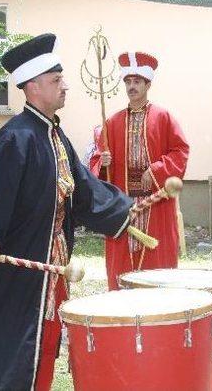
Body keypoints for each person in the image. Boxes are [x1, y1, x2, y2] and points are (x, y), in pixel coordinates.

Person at [0, 34, 133, 390]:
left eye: (62, 79)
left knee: (44, 345)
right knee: (18, 351)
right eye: (56, 81)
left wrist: (124, 210)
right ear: (33, 88)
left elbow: (81, 188)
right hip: (15, 272)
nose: (65, 86)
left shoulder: (54, 135)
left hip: (49, 269)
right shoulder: (16, 138)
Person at [90, 51, 189, 290]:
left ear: (148, 84)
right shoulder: (111, 122)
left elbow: (180, 150)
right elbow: (96, 162)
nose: (131, 87)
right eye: (128, 82)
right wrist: (103, 163)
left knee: (157, 262)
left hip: (156, 202)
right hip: (124, 202)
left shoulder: (163, 117)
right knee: (123, 261)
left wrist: (155, 170)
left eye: (137, 82)